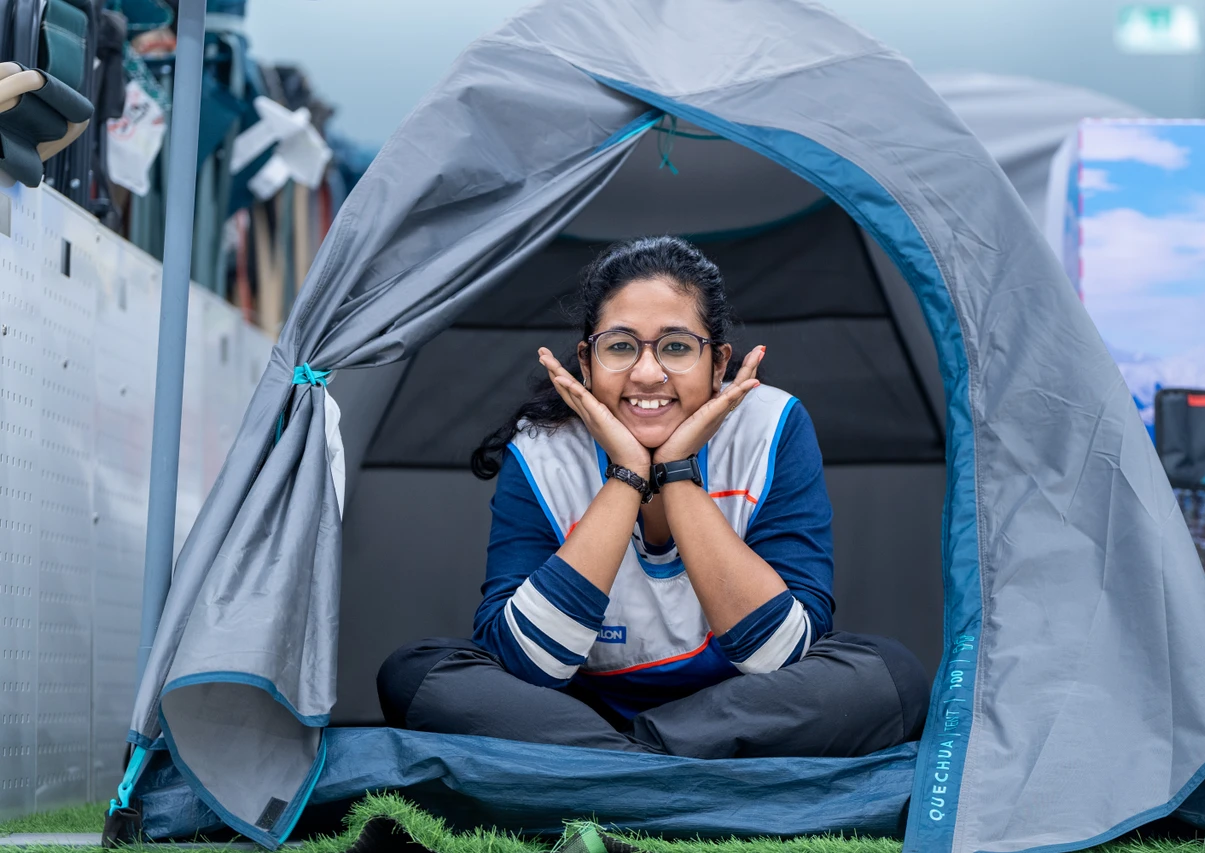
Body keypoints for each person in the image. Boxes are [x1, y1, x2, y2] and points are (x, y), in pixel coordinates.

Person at [377, 236, 928, 758]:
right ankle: (665, 766)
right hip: (576, 710)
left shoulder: (771, 426)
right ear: (587, 363)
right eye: (620, 347)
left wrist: (678, 472)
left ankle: (612, 766)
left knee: (889, 677)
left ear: (719, 364)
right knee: (416, 673)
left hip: (738, 708)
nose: (646, 373)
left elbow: (780, 656)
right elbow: (527, 665)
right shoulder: (542, 451)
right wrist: (627, 475)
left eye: (677, 347)